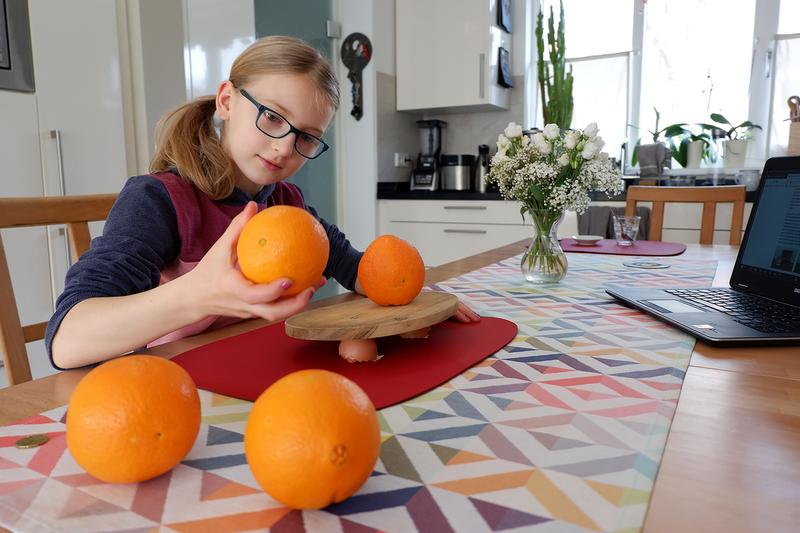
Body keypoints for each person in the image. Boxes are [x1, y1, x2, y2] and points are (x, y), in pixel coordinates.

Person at [46, 35, 479, 370]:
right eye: (272, 116)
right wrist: (200, 294)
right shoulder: (158, 200)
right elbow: (68, 339)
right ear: (227, 101)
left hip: (263, 371)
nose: (285, 147)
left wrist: (414, 299)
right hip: (181, 385)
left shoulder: (285, 204)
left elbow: (351, 265)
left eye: (307, 136)